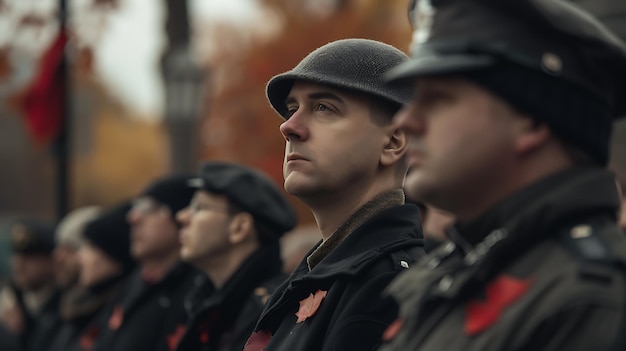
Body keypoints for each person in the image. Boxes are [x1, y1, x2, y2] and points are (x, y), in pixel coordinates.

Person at [379, 0, 626, 350]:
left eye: (438, 98)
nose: (405, 121)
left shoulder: (586, 299)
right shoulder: (450, 271)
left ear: (532, 120)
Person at [244, 38, 426, 351]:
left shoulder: (386, 288)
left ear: (394, 142)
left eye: (324, 108)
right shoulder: (314, 277)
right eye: (292, 109)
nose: (289, 127)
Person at [175, 161, 297, 351]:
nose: (182, 217)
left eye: (199, 207)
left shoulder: (269, 313)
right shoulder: (206, 300)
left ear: (239, 228)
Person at [92, 175, 206, 351]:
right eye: (136, 208)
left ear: (182, 218)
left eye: (149, 208)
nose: (133, 218)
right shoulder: (132, 283)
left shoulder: (199, 290)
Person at [49, 202, 136, 351]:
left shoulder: (122, 309)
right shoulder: (78, 306)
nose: (80, 257)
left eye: (89, 247)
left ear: (112, 254)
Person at [1, 218, 61, 351]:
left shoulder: (63, 306)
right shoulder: (11, 302)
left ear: (51, 261)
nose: (19, 265)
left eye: (30, 258)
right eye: (17, 255)